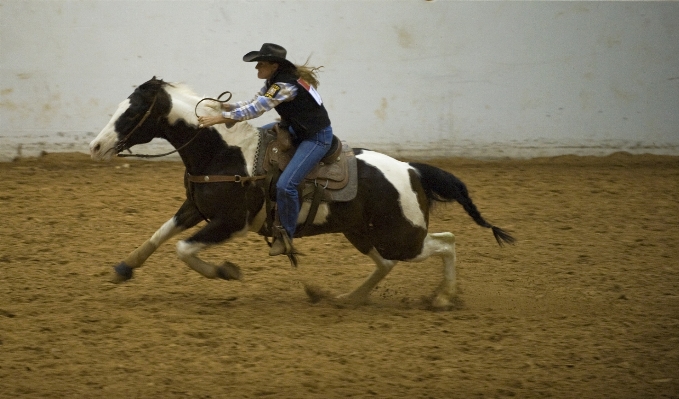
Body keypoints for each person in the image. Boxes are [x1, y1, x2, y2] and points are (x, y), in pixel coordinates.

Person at [197, 43, 333, 257]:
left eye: (260, 63)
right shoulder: (276, 81)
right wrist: (228, 107)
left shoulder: (285, 86)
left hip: (315, 138)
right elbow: (254, 101)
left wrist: (219, 118)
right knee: (255, 140)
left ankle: (285, 236)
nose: (256, 67)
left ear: (273, 65)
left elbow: (257, 109)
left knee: (286, 185)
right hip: (294, 130)